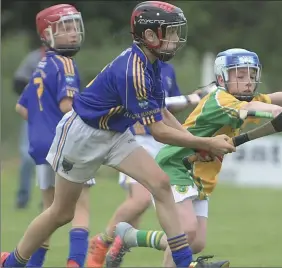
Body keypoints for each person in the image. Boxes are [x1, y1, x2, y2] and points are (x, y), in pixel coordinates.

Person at [1, 1, 234, 268]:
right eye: (169, 32)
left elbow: (162, 113)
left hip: (115, 134)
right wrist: (205, 142)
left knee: (160, 183)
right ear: (149, 36)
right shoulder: (133, 70)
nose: (174, 38)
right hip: (82, 137)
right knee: (61, 213)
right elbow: (157, 131)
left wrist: (195, 146)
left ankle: (183, 263)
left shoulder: (152, 64)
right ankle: (13, 263)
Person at [105, 48, 282, 267]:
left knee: (195, 242)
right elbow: (255, 108)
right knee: (185, 231)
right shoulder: (221, 100)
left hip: (200, 174)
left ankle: (129, 236)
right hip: (177, 165)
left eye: (252, 75)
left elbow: (268, 98)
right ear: (221, 77)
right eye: (240, 75)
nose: (248, 81)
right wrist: (280, 113)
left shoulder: (241, 97)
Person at [86, 61, 204, 268]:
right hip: (136, 141)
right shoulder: (132, 66)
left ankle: (123, 240)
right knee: (140, 200)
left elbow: (166, 108)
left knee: (140, 217)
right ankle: (102, 242)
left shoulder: (167, 70)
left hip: (162, 143)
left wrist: (190, 99)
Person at [12, 4, 93, 268]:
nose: (72, 33)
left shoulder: (41, 64)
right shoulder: (66, 64)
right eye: (65, 28)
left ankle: (32, 264)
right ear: (47, 35)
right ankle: (75, 264)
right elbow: (67, 106)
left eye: (73, 27)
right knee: (79, 208)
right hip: (65, 146)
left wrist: (43, 125)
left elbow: (22, 108)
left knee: (51, 211)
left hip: (41, 146)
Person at [13, 44, 44, 209]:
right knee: (26, 156)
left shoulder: (64, 61)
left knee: (51, 159)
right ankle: (22, 198)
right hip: (32, 114)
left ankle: (48, 199)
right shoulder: (33, 59)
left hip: (52, 117)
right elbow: (17, 82)